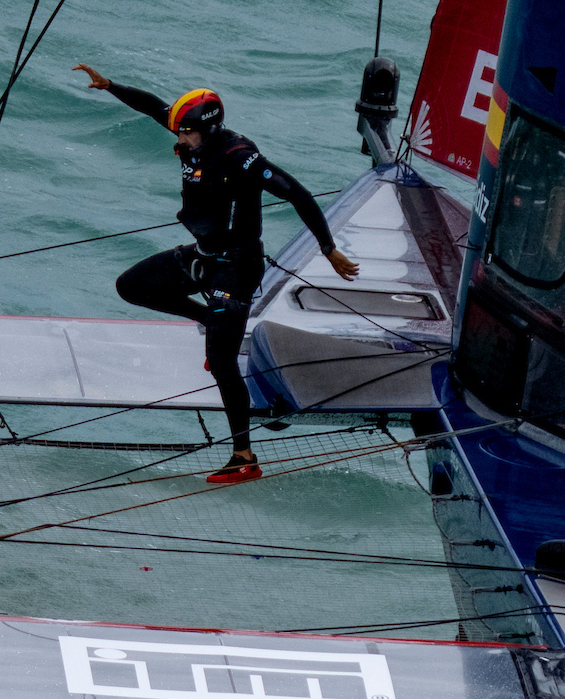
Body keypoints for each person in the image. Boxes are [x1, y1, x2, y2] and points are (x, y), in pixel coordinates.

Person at [74, 64, 361, 484]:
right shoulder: (191, 131)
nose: (180, 140)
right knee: (131, 285)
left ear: (207, 128)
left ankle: (244, 457)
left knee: (223, 360)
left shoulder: (240, 157)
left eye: (185, 133)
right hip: (203, 256)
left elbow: (296, 191)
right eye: (178, 132)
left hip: (237, 268)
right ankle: (209, 318)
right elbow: (154, 106)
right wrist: (111, 86)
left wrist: (328, 248)